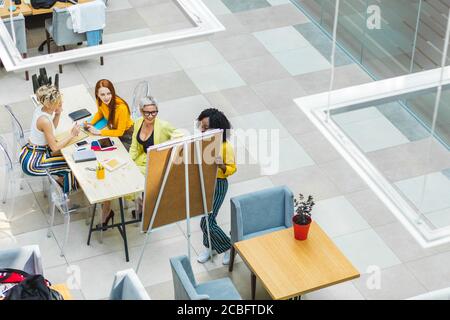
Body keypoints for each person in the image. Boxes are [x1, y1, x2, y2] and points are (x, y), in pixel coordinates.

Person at [84, 79, 134, 230]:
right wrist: (90, 124)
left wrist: (99, 132)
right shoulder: (101, 102)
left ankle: (107, 207)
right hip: (113, 134)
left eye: (108, 93)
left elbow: (119, 131)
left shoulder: (121, 107)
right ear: (97, 95)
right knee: (97, 154)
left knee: (109, 163)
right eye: (102, 94)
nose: (106, 97)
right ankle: (106, 203)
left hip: (126, 137)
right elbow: (100, 113)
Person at [128, 96, 182, 219]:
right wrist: (129, 161)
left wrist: (167, 152)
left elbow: (180, 135)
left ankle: (147, 209)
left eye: (154, 112)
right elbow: (134, 147)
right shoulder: (138, 123)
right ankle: (144, 207)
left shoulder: (163, 126)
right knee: (126, 176)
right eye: (147, 112)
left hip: (155, 163)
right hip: (140, 160)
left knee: (131, 183)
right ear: (141, 111)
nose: (151, 116)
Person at [19, 85, 80, 194]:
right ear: (50, 104)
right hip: (34, 161)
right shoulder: (44, 121)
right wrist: (72, 134)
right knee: (70, 166)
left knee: (67, 158)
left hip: (32, 152)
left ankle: (62, 184)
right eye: (58, 102)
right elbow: (54, 147)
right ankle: (64, 200)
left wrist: (58, 113)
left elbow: (52, 128)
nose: (61, 104)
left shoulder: (41, 109)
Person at [196, 108, 237, 265]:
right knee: (207, 217)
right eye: (201, 126)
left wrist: (222, 166)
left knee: (207, 220)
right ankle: (210, 246)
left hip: (218, 184)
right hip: (204, 182)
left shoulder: (226, 147)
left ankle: (228, 247)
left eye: (206, 126)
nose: (202, 129)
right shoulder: (203, 142)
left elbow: (232, 169)